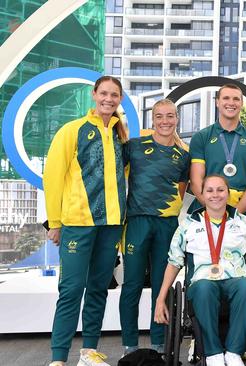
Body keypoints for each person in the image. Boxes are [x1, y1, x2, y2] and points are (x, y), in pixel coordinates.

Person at [44, 76, 129, 366]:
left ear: (120, 98)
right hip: (78, 223)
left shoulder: (122, 134)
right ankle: (58, 358)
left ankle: (89, 352)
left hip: (112, 224)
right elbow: (52, 177)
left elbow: (125, 176)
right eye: (103, 93)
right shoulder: (73, 130)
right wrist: (54, 222)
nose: (108, 99)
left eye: (114, 94)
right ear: (94, 95)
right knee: (70, 290)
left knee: (97, 289)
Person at [154, 175, 246, 366]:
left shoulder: (242, 222)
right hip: (203, 282)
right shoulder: (189, 224)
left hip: (235, 280)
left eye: (221, 190)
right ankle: (213, 353)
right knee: (204, 287)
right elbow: (174, 262)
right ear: (202, 195)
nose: (216, 195)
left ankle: (233, 352)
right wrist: (160, 298)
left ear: (228, 193)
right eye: (210, 190)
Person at [119, 99, 190, 355]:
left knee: (163, 286)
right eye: (160, 116)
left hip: (167, 225)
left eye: (170, 116)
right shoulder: (134, 147)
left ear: (177, 119)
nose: (165, 121)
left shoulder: (184, 156)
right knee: (132, 285)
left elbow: (180, 191)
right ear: (153, 120)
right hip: (137, 222)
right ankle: (130, 346)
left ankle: (159, 345)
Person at [189, 83, 246, 222]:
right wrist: (215, 212)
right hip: (206, 210)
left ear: (242, 103)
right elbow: (196, 182)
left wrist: (233, 215)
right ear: (217, 102)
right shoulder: (201, 137)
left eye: (236, 99)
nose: (231, 103)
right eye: (226, 98)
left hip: (242, 212)